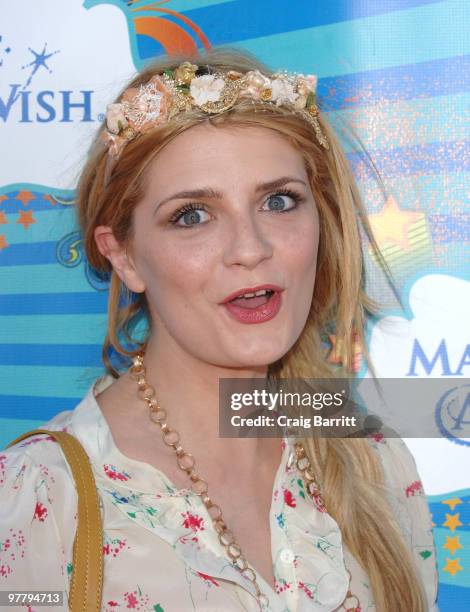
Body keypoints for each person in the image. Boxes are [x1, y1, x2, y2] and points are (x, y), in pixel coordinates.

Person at [0, 47, 439, 612]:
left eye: (280, 201)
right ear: (125, 257)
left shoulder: (372, 459)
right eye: (192, 215)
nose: (252, 248)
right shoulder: (39, 499)